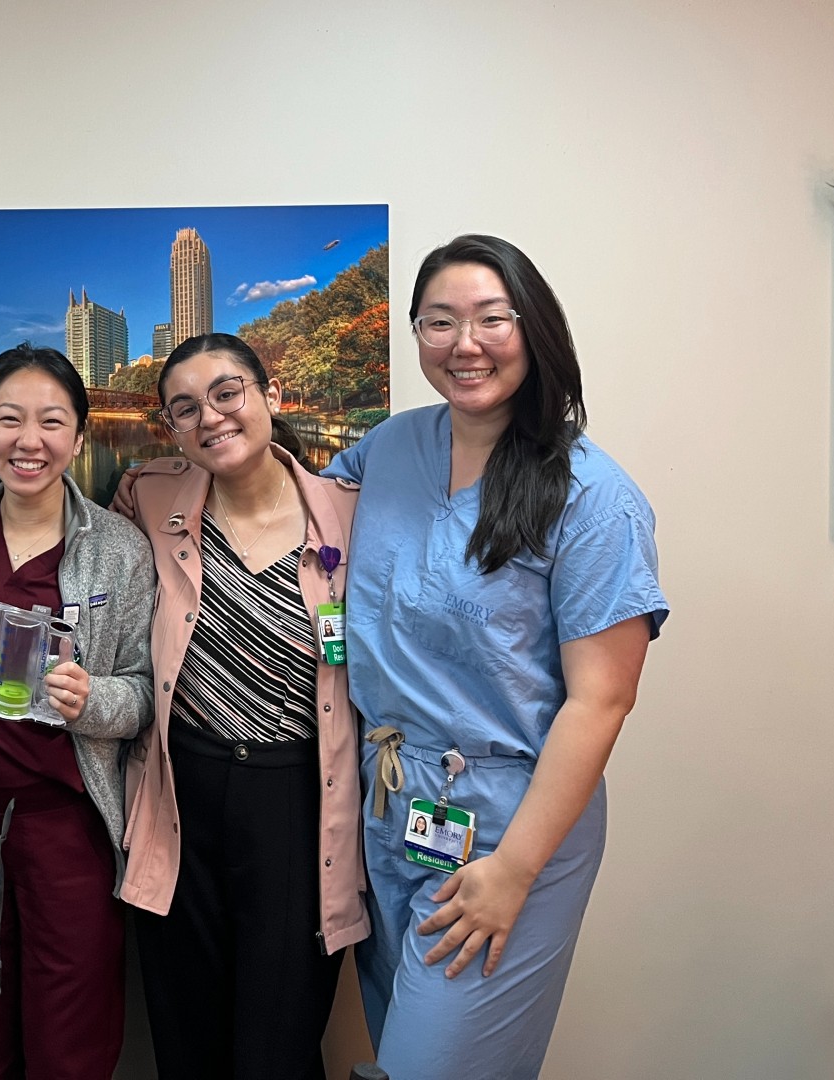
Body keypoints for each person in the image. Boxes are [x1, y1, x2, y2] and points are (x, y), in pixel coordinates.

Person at [327, 235, 669, 1079]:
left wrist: (514, 870)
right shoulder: (391, 448)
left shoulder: (594, 499)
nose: (463, 344)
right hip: (390, 805)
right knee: (405, 1047)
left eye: (490, 319)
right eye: (438, 323)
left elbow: (602, 702)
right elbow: (277, 511)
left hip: (509, 825)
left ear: (535, 327)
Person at [113, 333, 369, 1080]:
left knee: (277, 1049)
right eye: (185, 408)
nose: (212, 418)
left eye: (228, 394)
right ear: (170, 428)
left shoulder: (349, 517)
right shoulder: (148, 495)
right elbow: (65, 527)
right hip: (179, 794)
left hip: (297, 801)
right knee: (185, 1037)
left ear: (271, 396)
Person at [0, 344, 154, 1080]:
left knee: (72, 1041)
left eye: (52, 421)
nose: (30, 441)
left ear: (79, 437)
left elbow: (144, 694)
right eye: (9, 419)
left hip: (65, 823)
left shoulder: (118, 551)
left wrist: (91, 700)